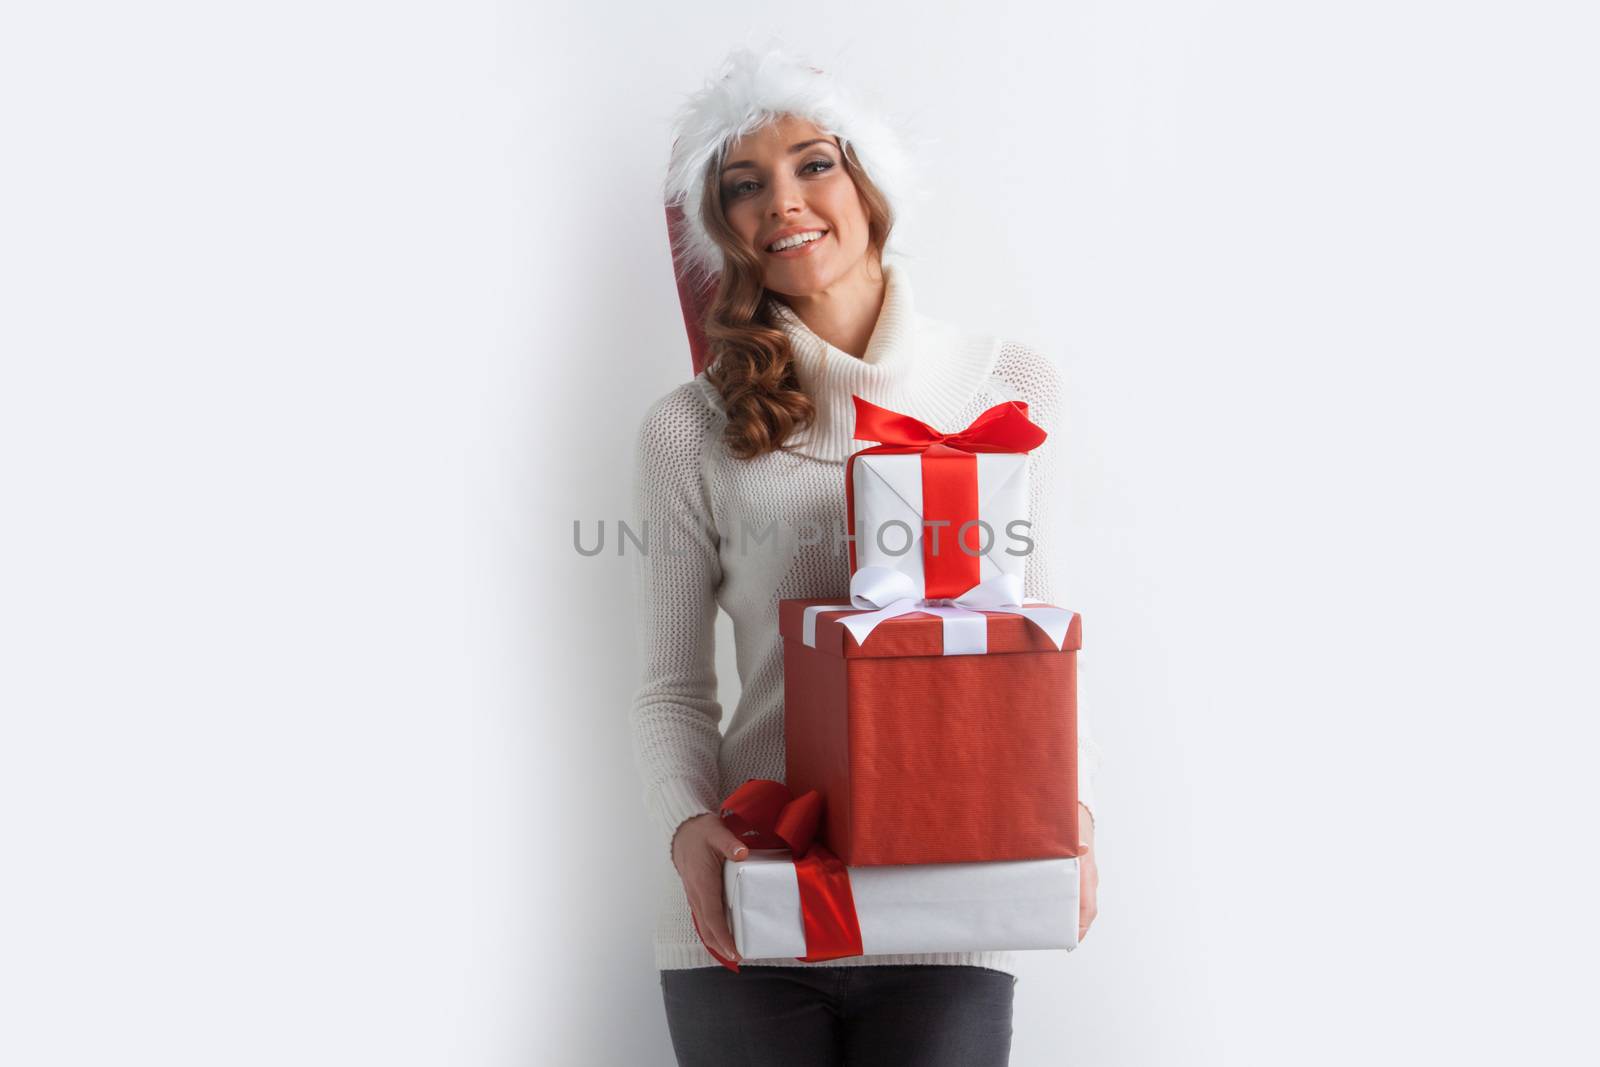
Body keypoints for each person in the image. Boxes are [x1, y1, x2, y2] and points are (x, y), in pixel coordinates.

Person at [630, 44, 1102, 1067]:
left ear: (869, 182)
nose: (782, 203)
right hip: (753, 894)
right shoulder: (688, 426)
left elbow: (1031, 645)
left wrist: (1067, 802)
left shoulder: (1006, 388)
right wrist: (683, 826)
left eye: (813, 163)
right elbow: (671, 687)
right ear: (721, 226)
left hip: (945, 890)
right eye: (742, 185)